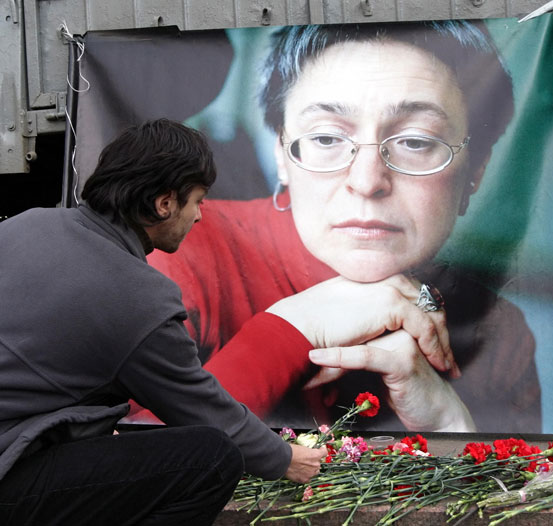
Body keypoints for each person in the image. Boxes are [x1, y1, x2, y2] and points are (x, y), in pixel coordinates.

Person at [146, 21, 541, 433]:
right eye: (326, 138)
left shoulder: (499, 336)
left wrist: (451, 426)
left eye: (416, 142)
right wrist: (293, 330)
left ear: (475, 171)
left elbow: (523, 494)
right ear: (283, 154)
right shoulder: (179, 256)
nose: (367, 182)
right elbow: (119, 466)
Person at [0, 119, 330, 526]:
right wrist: (284, 458)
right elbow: (202, 408)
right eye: (198, 201)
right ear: (164, 203)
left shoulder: (26, 224)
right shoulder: (137, 296)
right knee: (211, 458)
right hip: (8, 479)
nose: (200, 216)